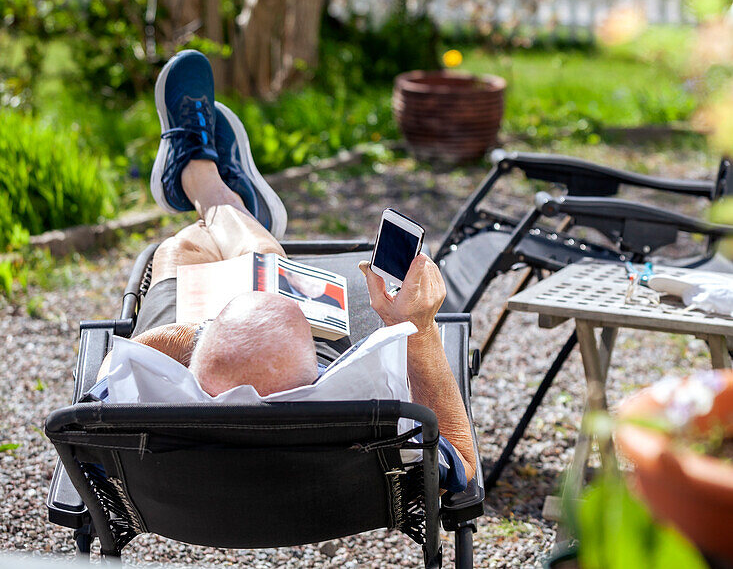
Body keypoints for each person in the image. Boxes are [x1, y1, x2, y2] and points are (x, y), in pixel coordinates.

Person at [93, 50, 476, 491]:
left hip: (181, 456)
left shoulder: (128, 423)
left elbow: (99, 395)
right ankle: (221, 195)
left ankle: (206, 186)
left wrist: (202, 338)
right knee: (262, 259)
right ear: (316, 369)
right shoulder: (366, 416)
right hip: (326, 488)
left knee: (181, 245)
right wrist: (419, 327)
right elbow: (462, 466)